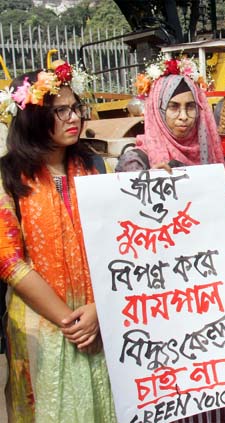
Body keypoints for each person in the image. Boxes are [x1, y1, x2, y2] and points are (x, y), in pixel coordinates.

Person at [117, 58, 225, 423]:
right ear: (157, 110)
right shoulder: (136, 160)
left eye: (191, 107)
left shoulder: (208, 160)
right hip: (162, 307)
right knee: (172, 387)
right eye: (173, 107)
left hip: (204, 303)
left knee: (209, 380)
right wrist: (147, 182)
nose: (183, 116)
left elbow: (221, 212)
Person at [0, 65, 116, 422]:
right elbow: (9, 261)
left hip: (99, 317)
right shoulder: (8, 176)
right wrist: (70, 321)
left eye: (75, 107)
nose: (74, 118)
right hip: (41, 324)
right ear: (33, 116)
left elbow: (116, 243)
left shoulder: (97, 167)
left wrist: (97, 310)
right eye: (60, 111)